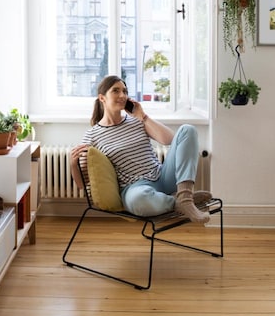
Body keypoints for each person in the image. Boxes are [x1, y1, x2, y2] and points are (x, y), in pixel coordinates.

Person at [69, 75, 212, 223]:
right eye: (116, 91)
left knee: (187, 130)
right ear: (102, 98)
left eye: (125, 91)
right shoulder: (92, 135)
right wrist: (73, 164)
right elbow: (82, 185)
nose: (122, 95)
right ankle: (178, 201)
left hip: (163, 176)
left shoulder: (137, 121)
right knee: (137, 201)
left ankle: (185, 197)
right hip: (136, 187)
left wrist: (142, 116)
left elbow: (169, 139)